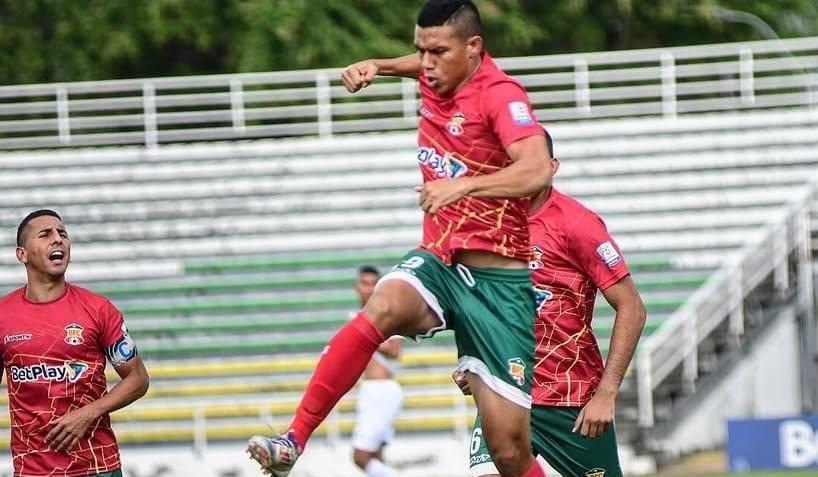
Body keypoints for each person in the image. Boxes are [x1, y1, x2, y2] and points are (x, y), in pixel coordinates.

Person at [246, 1, 554, 476]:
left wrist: (465, 184)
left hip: (500, 285)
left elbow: (534, 168)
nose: (426, 64)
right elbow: (420, 64)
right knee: (382, 307)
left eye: (438, 52)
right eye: (420, 51)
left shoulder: (500, 94)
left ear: (474, 48)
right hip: (441, 262)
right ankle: (292, 441)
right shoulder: (436, 74)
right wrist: (381, 65)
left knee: (509, 452)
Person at [454, 133, 647, 477]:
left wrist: (606, 393)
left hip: (569, 397)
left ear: (552, 167)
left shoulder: (578, 224)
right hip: (505, 390)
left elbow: (632, 307)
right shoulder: (489, 226)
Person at [0, 209, 150, 477]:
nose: (58, 239)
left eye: (63, 233)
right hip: (32, 469)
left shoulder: (98, 309)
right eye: (45, 234)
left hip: (97, 467)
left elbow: (138, 379)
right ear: (22, 254)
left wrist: (88, 413)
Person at [349, 266, 404, 477]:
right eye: (365, 283)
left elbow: (394, 351)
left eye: (374, 283)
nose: (369, 288)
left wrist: (362, 333)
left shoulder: (391, 316)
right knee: (377, 456)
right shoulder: (354, 317)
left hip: (383, 390)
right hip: (368, 389)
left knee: (360, 456)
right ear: (356, 287)